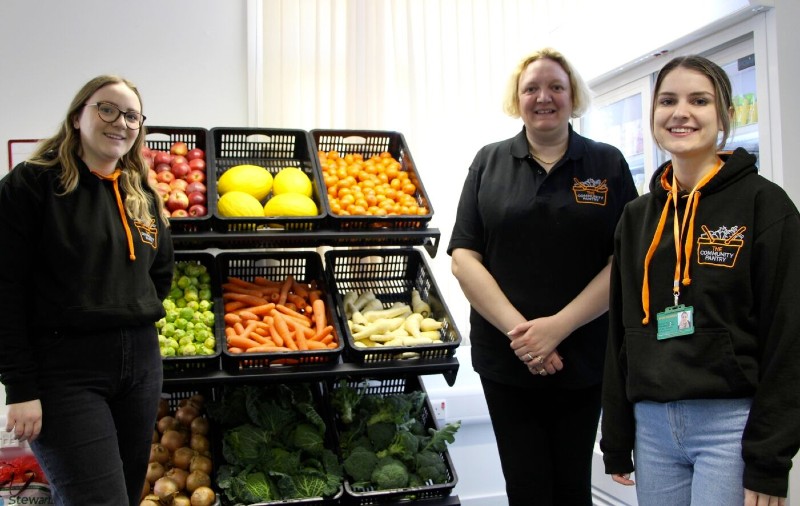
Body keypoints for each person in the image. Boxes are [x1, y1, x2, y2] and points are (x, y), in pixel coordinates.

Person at [601, 55, 800, 506]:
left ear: (723, 114)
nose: (681, 112)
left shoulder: (764, 205)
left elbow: (789, 336)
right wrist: (616, 435)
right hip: (650, 427)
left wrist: (769, 459)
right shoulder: (636, 217)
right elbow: (619, 333)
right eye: (667, 100)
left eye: (700, 100)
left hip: (730, 426)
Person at [448, 47, 638, 505]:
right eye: (531, 88)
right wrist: (524, 335)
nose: (543, 97)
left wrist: (557, 328)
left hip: (585, 359)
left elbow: (626, 260)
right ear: (518, 98)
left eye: (556, 86)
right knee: (526, 485)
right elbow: (463, 257)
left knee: (573, 485)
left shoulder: (606, 164)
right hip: (506, 359)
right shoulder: (489, 162)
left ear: (573, 96)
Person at [0, 75, 174, 505]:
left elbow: (161, 273)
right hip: (66, 370)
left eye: (132, 115)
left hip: (141, 367)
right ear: (78, 116)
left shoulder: (142, 193)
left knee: (127, 495)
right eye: (107, 109)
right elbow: (5, 288)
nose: (121, 122)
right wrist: (20, 387)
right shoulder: (33, 184)